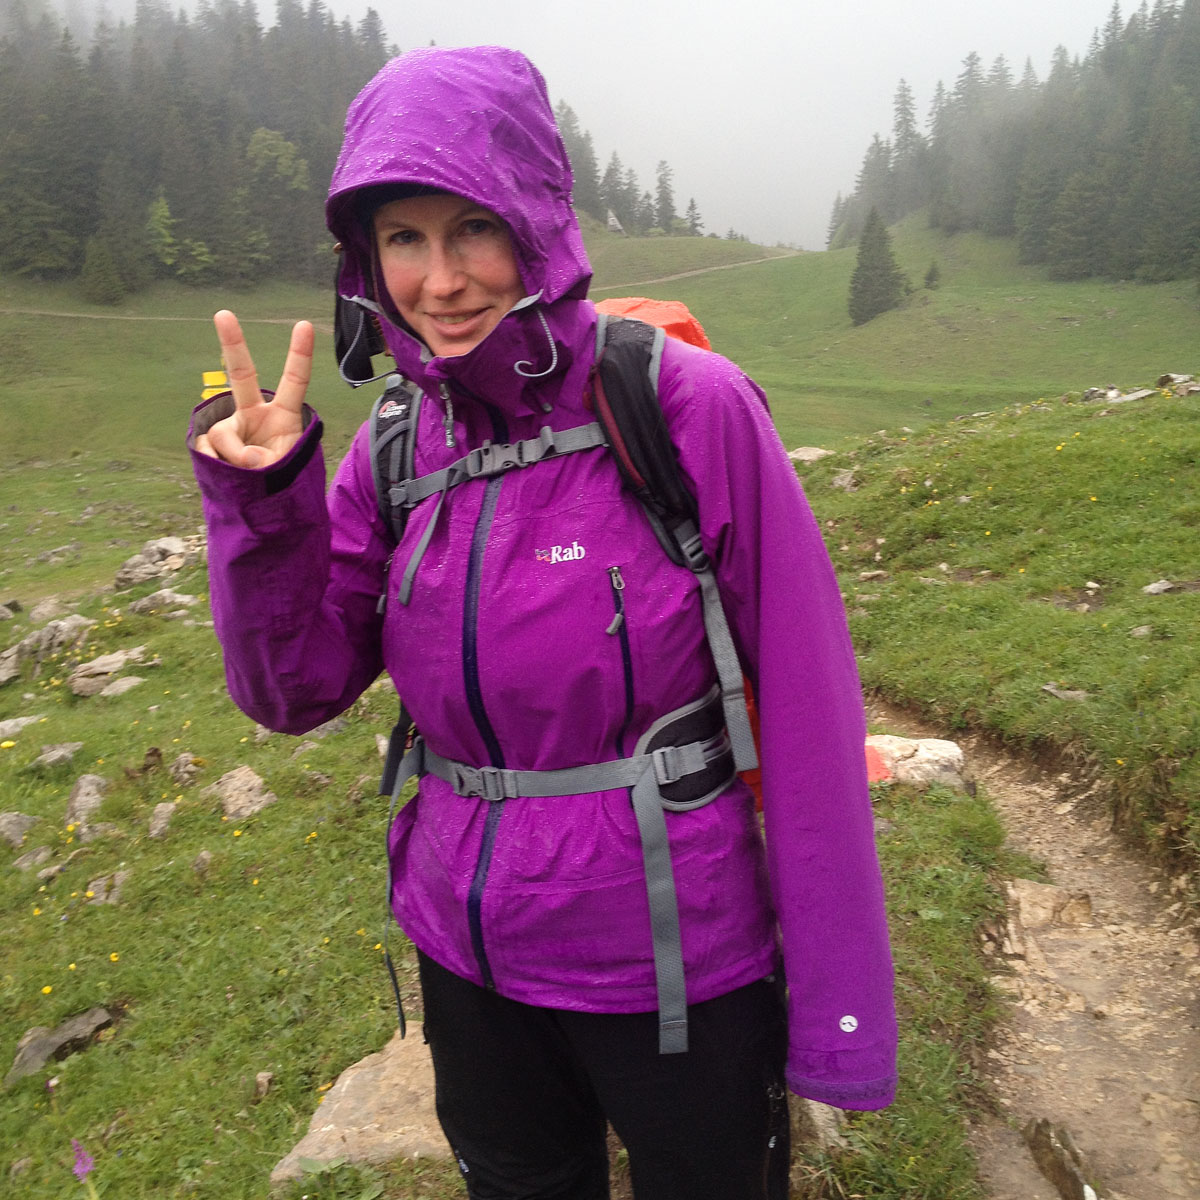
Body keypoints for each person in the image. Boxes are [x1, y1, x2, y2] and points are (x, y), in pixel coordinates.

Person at [189, 45, 896, 1200]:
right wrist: (265, 510)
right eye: (402, 240)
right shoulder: (399, 447)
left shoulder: (685, 408)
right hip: (468, 956)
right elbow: (294, 690)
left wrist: (841, 1018)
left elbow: (813, 716)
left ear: (536, 218)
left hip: (677, 963)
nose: (442, 280)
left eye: (473, 227)